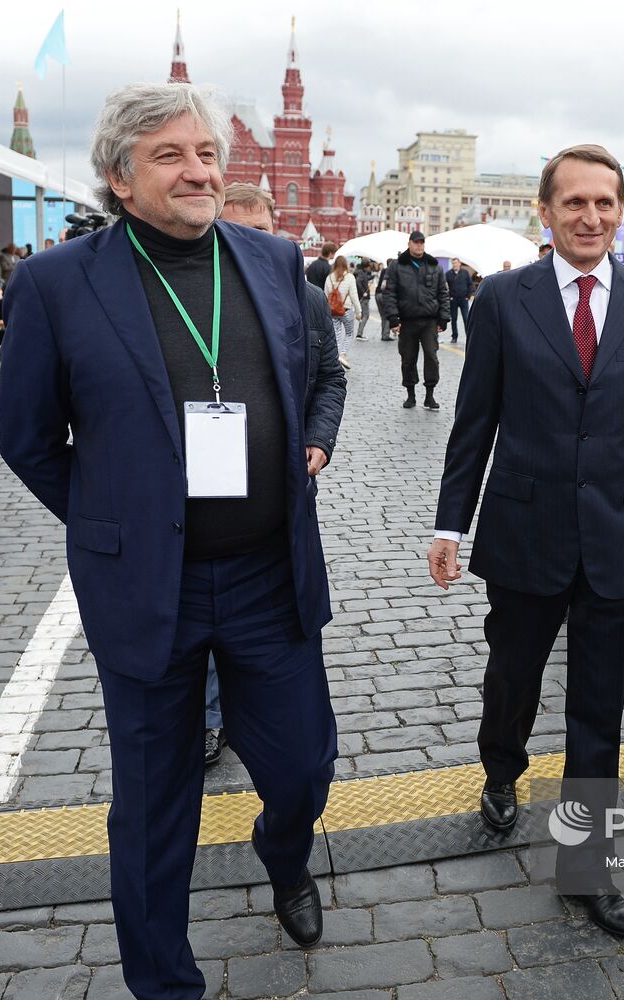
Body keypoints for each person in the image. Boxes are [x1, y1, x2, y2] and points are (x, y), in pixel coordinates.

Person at [0, 83, 340, 998]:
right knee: (152, 813)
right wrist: (116, 524)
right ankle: (164, 984)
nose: (200, 170)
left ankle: (284, 851)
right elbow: (27, 439)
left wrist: (309, 440)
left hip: (271, 575)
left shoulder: (271, 258)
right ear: (120, 176)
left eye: (206, 153)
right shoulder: (55, 283)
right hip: (152, 590)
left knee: (305, 766)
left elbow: (314, 375)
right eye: (171, 156)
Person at [428, 143, 624, 938]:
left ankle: (586, 867)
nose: (591, 217)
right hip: (524, 527)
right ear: (546, 210)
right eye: (574, 202)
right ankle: (501, 767)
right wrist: (449, 522)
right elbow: (476, 421)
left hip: (613, 532)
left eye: (605, 203)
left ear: (620, 211)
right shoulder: (504, 299)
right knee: (515, 674)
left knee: (598, 706)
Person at [210, 181, 346, 770]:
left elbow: (332, 379)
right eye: (233, 229)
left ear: (276, 230)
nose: (247, 242)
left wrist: (318, 439)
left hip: (281, 500)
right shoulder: (197, 293)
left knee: (275, 619)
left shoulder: (303, 293)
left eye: (259, 232)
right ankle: (212, 719)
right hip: (202, 505)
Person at [379, 230, 449, 410]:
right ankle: (410, 394)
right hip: (407, 321)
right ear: (409, 243)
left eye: (422, 243)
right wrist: (393, 319)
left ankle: (430, 395)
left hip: (429, 321)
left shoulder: (434, 266)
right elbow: (389, 293)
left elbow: (443, 293)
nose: (419, 245)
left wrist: (444, 318)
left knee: (432, 357)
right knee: (408, 359)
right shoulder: (397, 266)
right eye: (416, 242)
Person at [324, 255, 361, 369]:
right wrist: (359, 312)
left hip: (333, 311)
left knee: (337, 334)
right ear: (346, 265)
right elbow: (354, 296)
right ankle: (343, 354)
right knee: (349, 333)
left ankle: (338, 354)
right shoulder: (350, 277)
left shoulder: (329, 277)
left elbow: (325, 295)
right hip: (347, 310)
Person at [446, 256, 473, 344]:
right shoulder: (448, 274)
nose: (455, 265)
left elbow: (470, 285)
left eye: (456, 263)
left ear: (459, 264)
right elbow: (445, 287)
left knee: (466, 318)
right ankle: (454, 337)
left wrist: (468, 296)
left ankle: (468, 336)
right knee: (454, 319)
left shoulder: (465, 273)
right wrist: (449, 296)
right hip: (453, 299)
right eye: (453, 263)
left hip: (463, 299)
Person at [375, 257, 395, 341]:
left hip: (377, 294)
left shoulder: (383, 270)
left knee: (383, 316)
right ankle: (385, 335)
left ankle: (383, 334)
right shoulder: (392, 272)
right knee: (387, 316)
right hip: (384, 295)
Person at [353, 259, 372, 339]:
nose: (369, 269)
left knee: (364, 315)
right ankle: (359, 334)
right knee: (365, 315)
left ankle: (359, 333)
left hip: (362, 297)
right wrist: (363, 292)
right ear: (366, 267)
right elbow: (358, 282)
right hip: (364, 298)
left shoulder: (360, 272)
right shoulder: (361, 273)